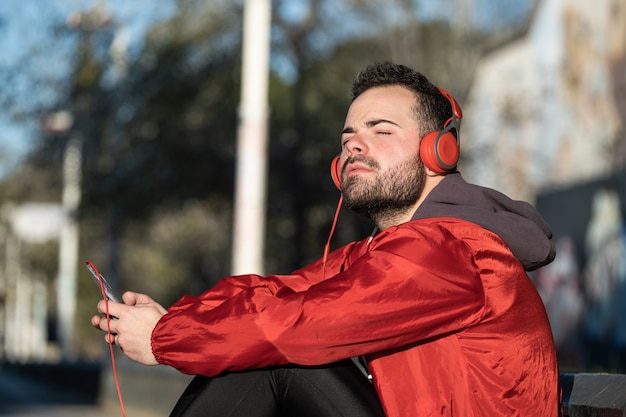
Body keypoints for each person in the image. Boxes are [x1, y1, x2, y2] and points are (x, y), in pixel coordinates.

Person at [92, 62, 561, 417]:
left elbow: (298, 325)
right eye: (348, 136)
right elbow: (278, 293)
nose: (354, 145)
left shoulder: (453, 249)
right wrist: (172, 319)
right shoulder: (380, 253)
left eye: (381, 130)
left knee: (283, 357)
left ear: (438, 150)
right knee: (269, 345)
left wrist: (165, 340)